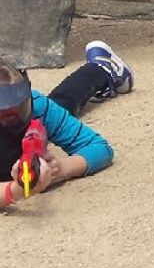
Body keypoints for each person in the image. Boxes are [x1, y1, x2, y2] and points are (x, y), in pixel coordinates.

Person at [1, 40, 131, 208]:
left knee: (61, 104)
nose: (12, 118)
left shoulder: (38, 108)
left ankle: (103, 68)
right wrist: (15, 191)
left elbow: (99, 147)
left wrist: (60, 168)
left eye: (19, 108)